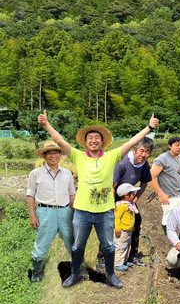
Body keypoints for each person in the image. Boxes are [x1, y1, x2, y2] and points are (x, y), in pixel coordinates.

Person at [37, 110, 159, 288]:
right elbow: (60, 141)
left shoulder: (112, 156)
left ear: (102, 142)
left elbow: (132, 142)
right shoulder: (78, 156)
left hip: (105, 212)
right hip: (82, 212)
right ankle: (76, 273)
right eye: (90, 138)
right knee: (78, 247)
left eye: (97, 138)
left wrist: (148, 127)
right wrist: (46, 124)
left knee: (109, 246)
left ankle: (110, 274)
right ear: (86, 142)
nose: (93, 140)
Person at [98, 137, 154, 270]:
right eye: (141, 151)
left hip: (129, 197)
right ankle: (102, 258)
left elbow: (144, 183)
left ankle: (131, 256)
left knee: (136, 221)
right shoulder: (122, 163)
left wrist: (135, 199)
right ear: (134, 150)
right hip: (113, 196)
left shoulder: (144, 165)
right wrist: (113, 207)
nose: (144, 155)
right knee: (109, 225)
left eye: (147, 152)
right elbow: (112, 186)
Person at [26, 141, 76, 282]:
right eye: (49, 153)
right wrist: (32, 215)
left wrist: (74, 213)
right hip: (45, 212)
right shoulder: (36, 173)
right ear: (44, 156)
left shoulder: (67, 174)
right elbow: (30, 195)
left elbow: (72, 195)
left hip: (65, 211)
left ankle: (79, 268)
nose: (53, 156)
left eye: (56, 152)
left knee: (72, 241)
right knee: (42, 244)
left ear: (60, 155)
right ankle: (36, 272)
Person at [149, 136, 180, 235]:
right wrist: (161, 194)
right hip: (169, 195)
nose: (179, 148)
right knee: (168, 219)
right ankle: (170, 239)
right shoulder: (162, 159)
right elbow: (150, 177)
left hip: (179, 192)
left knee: (178, 216)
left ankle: (178, 236)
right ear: (170, 145)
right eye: (177, 145)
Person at [113, 183, 140, 271]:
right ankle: (118, 263)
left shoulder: (129, 205)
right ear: (126, 195)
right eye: (132, 193)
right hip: (122, 230)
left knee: (126, 246)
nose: (134, 195)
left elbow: (130, 218)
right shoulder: (122, 206)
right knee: (120, 246)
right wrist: (117, 229)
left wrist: (132, 227)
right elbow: (117, 217)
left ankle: (124, 261)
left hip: (128, 230)